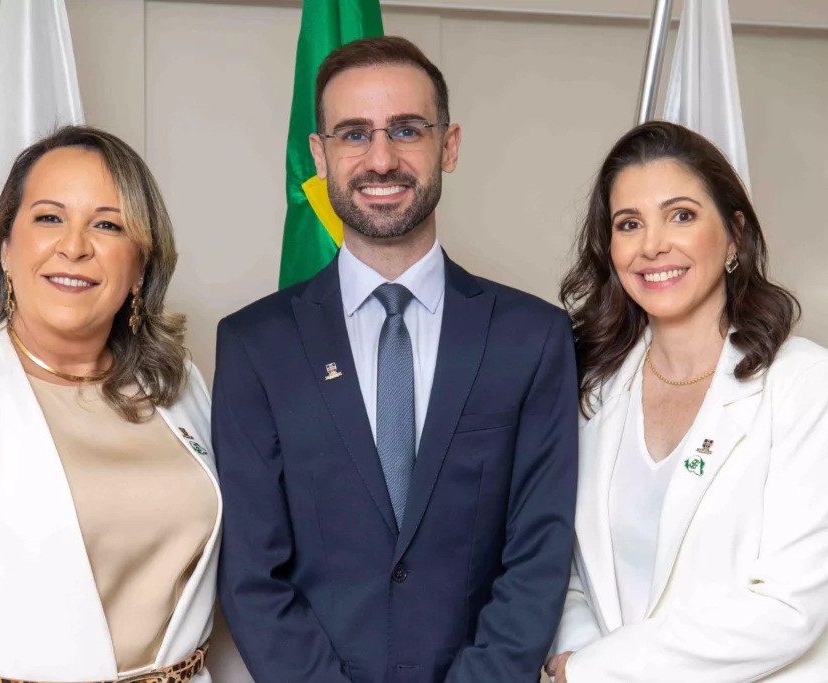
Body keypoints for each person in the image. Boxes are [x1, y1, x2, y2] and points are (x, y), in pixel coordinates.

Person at [213, 36, 577, 683]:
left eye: (406, 130)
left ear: (450, 145)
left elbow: (539, 556)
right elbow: (251, 575)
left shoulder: (534, 337)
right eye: (354, 134)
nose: (381, 159)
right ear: (319, 156)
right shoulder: (254, 345)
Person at [0, 126, 221, 683]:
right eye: (49, 217)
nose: (75, 246)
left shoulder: (180, 385)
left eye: (108, 224)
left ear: (140, 267)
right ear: (6, 248)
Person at [546, 121, 828, 683]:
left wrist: (595, 671)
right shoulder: (588, 387)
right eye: (629, 224)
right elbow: (572, 574)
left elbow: (788, 608)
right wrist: (574, 658)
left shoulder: (812, 384)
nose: (652, 245)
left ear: (735, 233)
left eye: (682, 215)